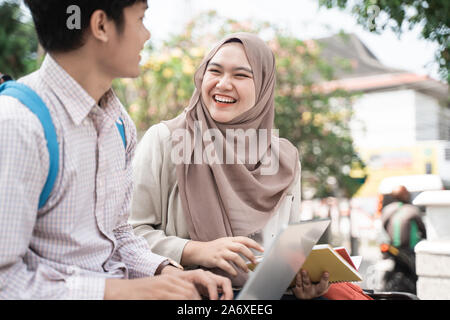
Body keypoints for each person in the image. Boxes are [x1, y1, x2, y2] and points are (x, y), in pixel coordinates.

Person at [0, 0, 233, 300]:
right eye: (140, 19)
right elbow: (5, 281)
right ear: (101, 25)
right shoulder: (18, 124)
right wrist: (118, 291)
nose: (146, 34)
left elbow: (118, 234)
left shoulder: (118, 122)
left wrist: (168, 274)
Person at [130, 32, 330, 300]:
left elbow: (284, 251)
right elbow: (128, 234)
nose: (223, 84)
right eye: (215, 71)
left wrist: (298, 284)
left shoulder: (284, 158)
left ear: (263, 85)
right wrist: (195, 250)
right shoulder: (166, 140)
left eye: (240, 75)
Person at [382, 185, 427, 251]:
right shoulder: (412, 210)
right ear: (406, 195)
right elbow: (422, 229)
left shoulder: (387, 209)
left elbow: (384, 226)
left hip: (393, 247)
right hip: (409, 248)